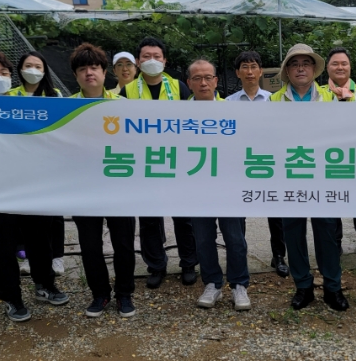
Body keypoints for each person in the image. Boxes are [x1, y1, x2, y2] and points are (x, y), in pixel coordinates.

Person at [0, 51, 70, 322]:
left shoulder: (21, 104)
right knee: (3, 249)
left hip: (34, 188)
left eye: (3, 73)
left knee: (40, 242)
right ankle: (11, 297)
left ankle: (45, 285)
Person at [270, 44, 348, 311]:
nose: (300, 68)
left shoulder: (334, 98)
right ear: (287, 71)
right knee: (293, 232)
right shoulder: (273, 101)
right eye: (294, 64)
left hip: (324, 176)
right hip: (290, 176)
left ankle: (332, 288)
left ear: (314, 69)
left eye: (306, 63)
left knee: (327, 231)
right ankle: (303, 286)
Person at [66, 43, 137, 317]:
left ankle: (124, 294)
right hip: (83, 189)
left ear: (105, 72)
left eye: (94, 67)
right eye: (82, 69)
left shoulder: (121, 105)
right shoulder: (66, 107)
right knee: (90, 245)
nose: (89, 73)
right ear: (76, 75)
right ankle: (99, 294)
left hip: (118, 186)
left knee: (123, 243)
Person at [121, 37, 197, 289]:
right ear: (138, 61)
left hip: (177, 162)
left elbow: (193, 123)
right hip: (145, 165)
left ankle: (188, 263)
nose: (151, 60)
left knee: (183, 217)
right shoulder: (127, 91)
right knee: (149, 219)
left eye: (157, 56)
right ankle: (156, 266)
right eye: (146, 56)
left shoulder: (179, 87)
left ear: (165, 60)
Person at [186, 58, 251, 310]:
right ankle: (212, 282)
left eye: (208, 77)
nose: (203, 83)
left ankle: (239, 285)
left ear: (216, 81)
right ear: (189, 83)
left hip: (229, 187)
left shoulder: (232, 111)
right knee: (203, 239)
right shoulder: (177, 114)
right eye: (197, 78)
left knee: (235, 238)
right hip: (197, 187)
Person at [226, 51, 288, 278]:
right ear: (237, 72)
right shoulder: (228, 102)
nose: (249, 71)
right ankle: (239, 254)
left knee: (276, 211)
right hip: (240, 163)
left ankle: (279, 256)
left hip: (268, 162)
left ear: (261, 71)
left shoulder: (273, 100)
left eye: (253, 66)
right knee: (239, 211)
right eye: (245, 67)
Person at [9, 51, 67, 278]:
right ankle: (27, 256)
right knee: (25, 212)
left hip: (49, 163)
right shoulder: (10, 95)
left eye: (38, 66)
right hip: (19, 163)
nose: (33, 70)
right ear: (20, 69)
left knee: (54, 213)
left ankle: (57, 257)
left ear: (44, 71)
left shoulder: (55, 95)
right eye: (28, 65)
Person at [319, 47, 356, 261]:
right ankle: (335, 243)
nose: (340, 67)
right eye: (335, 64)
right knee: (333, 199)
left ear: (350, 67)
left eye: (344, 64)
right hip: (329, 157)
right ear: (327, 68)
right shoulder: (319, 93)